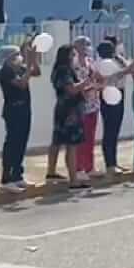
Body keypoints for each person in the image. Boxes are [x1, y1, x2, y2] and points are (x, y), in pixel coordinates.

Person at [47, 45, 91, 189]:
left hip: (67, 109)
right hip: (69, 111)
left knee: (58, 141)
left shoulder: (62, 70)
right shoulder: (63, 71)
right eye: (73, 55)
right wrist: (85, 83)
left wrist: (89, 88)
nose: (75, 58)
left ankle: (52, 172)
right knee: (71, 145)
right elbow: (71, 89)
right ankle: (73, 180)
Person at [0, 43, 40, 193]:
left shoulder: (21, 69)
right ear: (8, 58)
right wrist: (28, 66)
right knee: (12, 143)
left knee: (22, 142)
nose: (19, 57)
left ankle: (17, 175)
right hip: (13, 111)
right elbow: (22, 84)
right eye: (16, 55)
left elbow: (37, 72)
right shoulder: (6, 72)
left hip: (24, 109)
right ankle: (6, 178)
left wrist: (33, 59)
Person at [97, 39, 134, 175]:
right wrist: (127, 69)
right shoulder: (103, 64)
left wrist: (122, 61)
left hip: (118, 93)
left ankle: (114, 162)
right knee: (110, 130)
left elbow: (126, 68)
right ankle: (110, 164)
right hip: (109, 95)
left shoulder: (116, 61)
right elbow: (117, 75)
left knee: (115, 129)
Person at [72, 36, 101, 183]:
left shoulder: (90, 62)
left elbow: (96, 77)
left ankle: (90, 166)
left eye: (88, 44)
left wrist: (99, 84)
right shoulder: (74, 64)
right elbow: (75, 84)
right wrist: (88, 88)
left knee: (90, 137)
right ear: (77, 47)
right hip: (80, 105)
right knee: (80, 139)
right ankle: (79, 168)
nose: (87, 47)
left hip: (93, 104)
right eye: (84, 45)